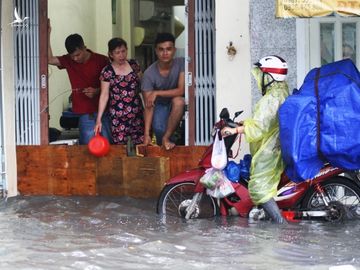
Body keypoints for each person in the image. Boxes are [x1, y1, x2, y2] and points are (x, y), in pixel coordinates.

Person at [221, 55, 290, 224]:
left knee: (259, 187)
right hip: (274, 145)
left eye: (261, 75)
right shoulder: (280, 91)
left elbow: (261, 127)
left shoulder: (272, 98)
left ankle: (280, 224)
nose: (259, 79)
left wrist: (235, 130)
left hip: (270, 149)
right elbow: (268, 121)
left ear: (269, 76)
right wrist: (245, 123)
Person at [48, 21, 112, 145]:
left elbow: (114, 85)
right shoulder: (68, 61)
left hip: (104, 111)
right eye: (72, 56)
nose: (75, 59)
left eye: (78, 55)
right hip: (84, 113)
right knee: (87, 147)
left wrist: (97, 90)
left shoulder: (102, 60)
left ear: (84, 47)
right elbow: (49, 59)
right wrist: (48, 33)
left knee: (108, 144)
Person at [94, 38, 144, 145]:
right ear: (111, 54)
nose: (121, 55)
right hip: (118, 117)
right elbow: (104, 95)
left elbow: (143, 85)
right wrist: (99, 119)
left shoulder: (134, 65)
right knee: (120, 148)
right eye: (117, 52)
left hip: (137, 114)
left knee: (141, 145)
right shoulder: (107, 71)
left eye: (123, 51)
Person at [141, 32, 185, 150]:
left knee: (179, 101)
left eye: (168, 49)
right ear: (156, 51)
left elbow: (181, 90)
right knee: (159, 128)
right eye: (161, 49)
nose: (165, 53)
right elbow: (148, 106)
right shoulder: (148, 74)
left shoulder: (181, 63)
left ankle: (167, 138)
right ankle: (165, 143)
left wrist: (157, 92)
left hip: (176, 101)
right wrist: (146, 135)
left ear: (174, 50)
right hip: (159, 105)